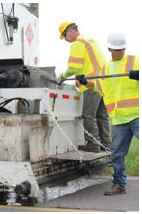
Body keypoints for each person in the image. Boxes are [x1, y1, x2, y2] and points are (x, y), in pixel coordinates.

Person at [75, 32, 139, 195]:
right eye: (117, 49)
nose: (120, 52)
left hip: (137, 116)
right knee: (117, 154)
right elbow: (99, 87)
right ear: (110, 49)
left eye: (122, 49)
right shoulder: (107, 68)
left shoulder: (134, 61)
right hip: (118, 120)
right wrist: (85, 82)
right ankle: (119, 184)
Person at [58, 22, 111, 152]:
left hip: (91, 84)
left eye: (65, 36)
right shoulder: (90, 40)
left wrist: (62, 76)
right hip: (103, 84)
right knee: (102, 116)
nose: (66, 40)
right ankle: (106, 145)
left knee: (88, 116)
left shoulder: (77, 43)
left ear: (69, 31)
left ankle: (93, 144)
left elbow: (74, 67)